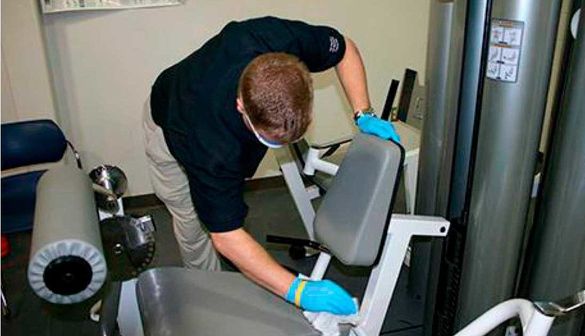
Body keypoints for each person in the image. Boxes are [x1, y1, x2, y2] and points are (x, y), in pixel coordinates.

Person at [142, 16, 400, 315]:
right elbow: (226, 237)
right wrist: (297, 290)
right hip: (169, 121)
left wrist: (363, 113)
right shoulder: (211, 145)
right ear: (241, 105)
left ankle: (247, 265)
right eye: (270, 140)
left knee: (224, 208)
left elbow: (344, 49)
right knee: (192, 220)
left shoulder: (277, 39)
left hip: (222, 117)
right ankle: (210, 293)